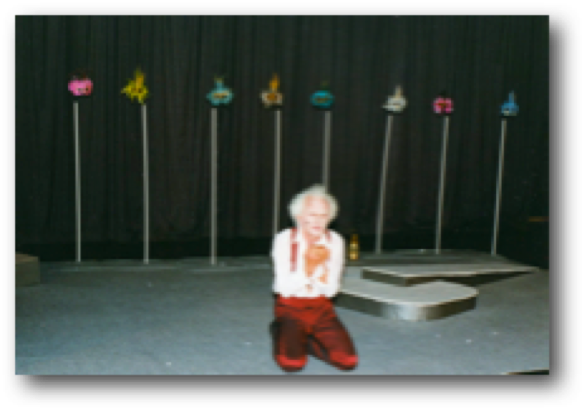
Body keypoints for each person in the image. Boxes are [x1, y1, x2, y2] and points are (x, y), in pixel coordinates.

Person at [269, 184, 358, 372]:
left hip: (322, 308)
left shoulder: (335, 241)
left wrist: (316, 273)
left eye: (324, 215)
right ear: (299, 216)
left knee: (348, 361)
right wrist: (310, 268)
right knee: (292, 364)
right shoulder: (285, 239)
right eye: (312, 214)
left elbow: (332, 290)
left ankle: (302, 340)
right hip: (290, 307)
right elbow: (283, 288)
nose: (318, 221)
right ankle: (280, 330)